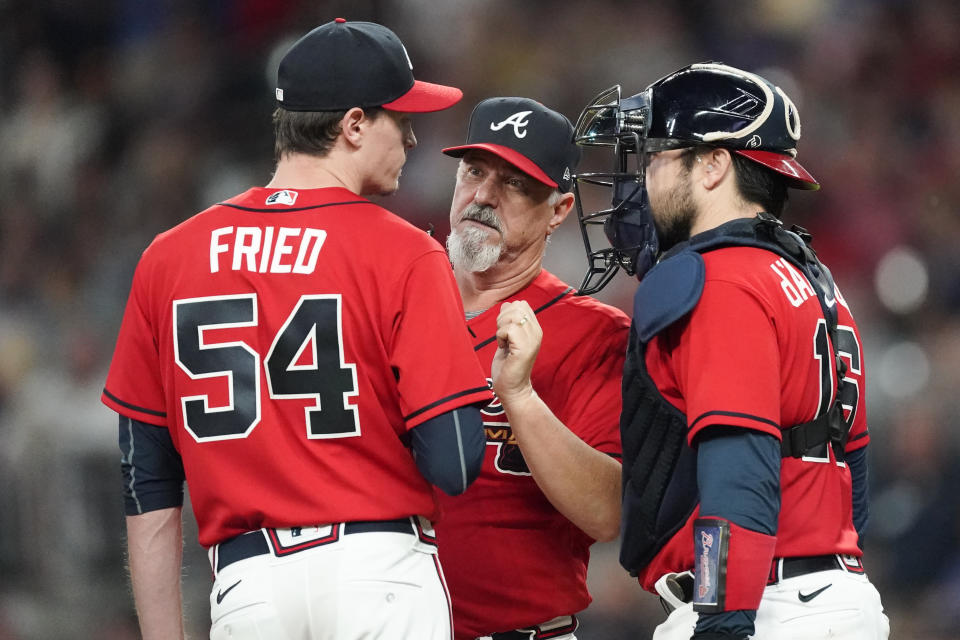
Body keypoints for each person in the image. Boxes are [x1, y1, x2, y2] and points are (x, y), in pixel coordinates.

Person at [101, 18, 493, 640]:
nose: (415, 137)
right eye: (401, 118)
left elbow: (146, 483)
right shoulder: (404, 252)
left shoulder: (168, 258)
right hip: (380, 577)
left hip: (249, 590)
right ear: (354, 125)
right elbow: (454, 459)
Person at [572, 63, 889, 639]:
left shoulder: (721, 281)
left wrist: (723, 620)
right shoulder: (814, 281)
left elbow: (738, 470)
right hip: (826, 593)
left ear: (715, 164)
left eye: (659, 155)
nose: (643, 179)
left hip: (763, 606)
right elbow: (856, 473)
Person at [435, 96, 631, 640]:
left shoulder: (596, 334)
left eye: (516, 183)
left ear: (561, 209)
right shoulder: (392, 303)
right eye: (475, 171)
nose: (483, 196)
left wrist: (520, 397)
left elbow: (606, 512)